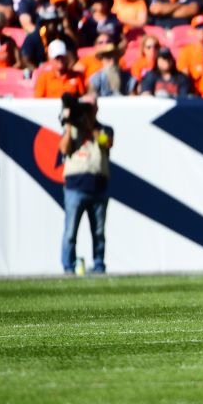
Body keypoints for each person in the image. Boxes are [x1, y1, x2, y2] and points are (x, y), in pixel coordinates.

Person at [58, 94, 113, 274]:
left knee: (98, 232)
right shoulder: (73, 130)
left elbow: (106, 144)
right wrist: (69, 125)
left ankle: (99, 265)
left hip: (98, 187)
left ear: (97, 108)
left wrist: (91, 126)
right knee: (70, 232)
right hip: (75, 187)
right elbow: (63, 149)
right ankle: (68, 266)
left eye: (91, 107)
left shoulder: (104, 129)